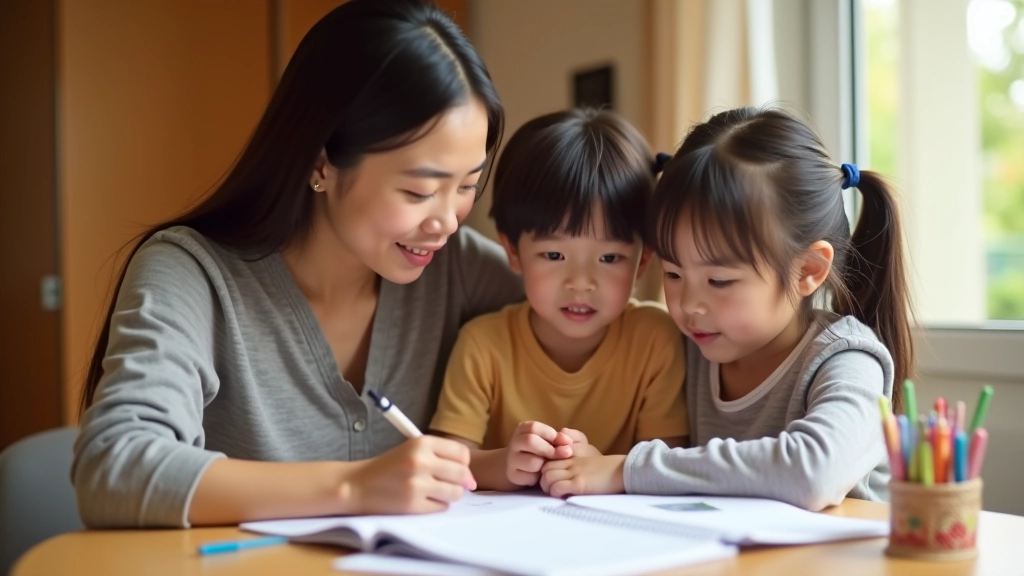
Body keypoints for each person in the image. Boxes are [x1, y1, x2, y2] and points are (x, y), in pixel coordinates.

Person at [72, 0, 524, 528]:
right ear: (320, 163)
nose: (446, 221)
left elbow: (606, 319)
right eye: (419, 190)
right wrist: (354, 486)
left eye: (467, 186)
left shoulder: (459, 269)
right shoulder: (192, 274)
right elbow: (114, 466)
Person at [540, 107, 914, 511]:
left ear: (807, 270)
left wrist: (626, 470)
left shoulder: (846, 358)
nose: (688, 305)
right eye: (673, 273)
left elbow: (812, 473)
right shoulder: (687, 348)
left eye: (719, 281)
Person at [429, 109, 688, 491]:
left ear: (643, 260)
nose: (581, 284)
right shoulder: (483, 345)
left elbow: (670, 460)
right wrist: (503, 463)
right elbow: (449, 460)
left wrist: (606, 469)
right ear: (513, 252)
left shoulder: (655, 338)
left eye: (609, 258)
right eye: (554, 256)